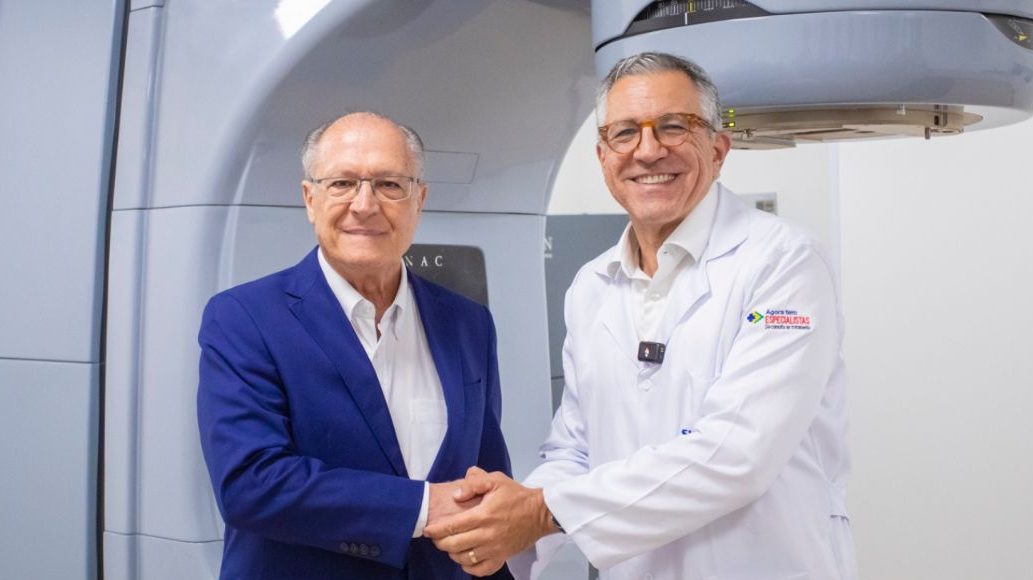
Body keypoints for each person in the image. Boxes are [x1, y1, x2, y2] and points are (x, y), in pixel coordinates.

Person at [425, 52, 855, 580]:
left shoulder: (783, 262)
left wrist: (538, 513)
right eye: (625, 133)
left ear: (718, 149)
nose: (648, 151)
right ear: (604, 156)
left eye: (674, 126)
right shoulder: (592, 285)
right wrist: (500, 524)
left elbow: (737, 454)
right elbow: (574, 448)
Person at [197, 111, 513, 579]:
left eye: (389, 184)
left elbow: (486, 477)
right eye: (342, 183)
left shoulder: (468, 323)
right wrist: (425, 506)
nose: (364, 205)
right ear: (310, 199)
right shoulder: (244, 318)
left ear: (419, 199)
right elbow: (251, 484)